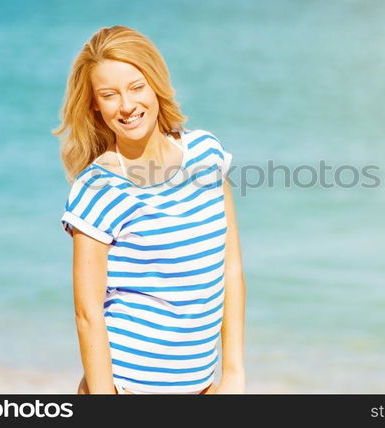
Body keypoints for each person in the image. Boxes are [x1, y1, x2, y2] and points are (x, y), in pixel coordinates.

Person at [52, 25, 246, 394]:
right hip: (127, 388)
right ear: (94, 103)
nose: (126, 106)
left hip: (202, 387)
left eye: (136, 87)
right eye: (109, 95)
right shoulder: (97, 190)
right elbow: (88, 315)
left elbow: (230, 267)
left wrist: (234, 373)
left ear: (155, 84)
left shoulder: (207, 154)